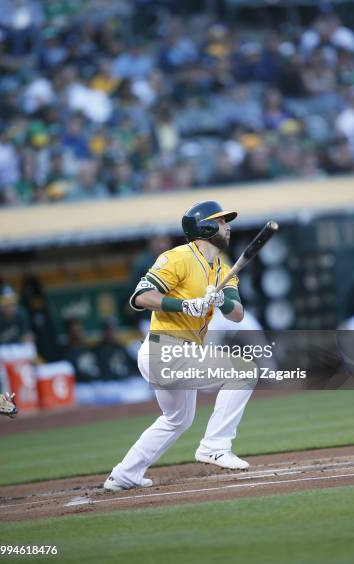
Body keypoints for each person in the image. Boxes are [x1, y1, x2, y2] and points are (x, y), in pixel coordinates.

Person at [104, 200, 256, 491]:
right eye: (222, 222)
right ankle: (214, 446)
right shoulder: (178, 257)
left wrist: (222, 301)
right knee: (243, 371)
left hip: (182, 351)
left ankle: (125, 474)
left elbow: (238, 315)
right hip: (165, 349)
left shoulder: (223, 268)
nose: (228, 227)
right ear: (206, 227)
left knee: (178, 419)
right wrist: (185, 305)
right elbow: (139, 297)